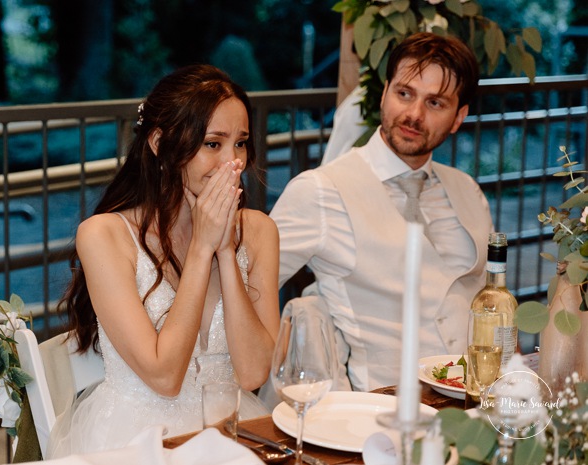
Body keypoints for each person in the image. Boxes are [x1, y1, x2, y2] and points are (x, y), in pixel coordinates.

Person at [47, 64, 280, 457]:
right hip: (138, 439)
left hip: (232, 433)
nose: (233, 163)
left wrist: (224, 251)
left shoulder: (258, 231)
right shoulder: (103, 235)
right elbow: (165, 376)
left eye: (240, 143)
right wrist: (202, 248)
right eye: (213, 144)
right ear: (159, 143)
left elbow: (255, 373)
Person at [268, 32, 493, 393]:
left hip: (473, 403)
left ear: (458, 117)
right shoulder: (321, 191)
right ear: (385, 92)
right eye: (404, 94)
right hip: (379, 413)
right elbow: (247, 290)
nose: (414, 115)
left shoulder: (468, 190)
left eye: (435, 103)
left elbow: (491, 300)